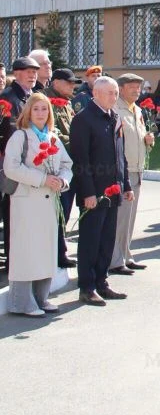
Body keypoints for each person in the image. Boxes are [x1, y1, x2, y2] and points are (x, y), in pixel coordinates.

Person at [2, 93, 73, 316]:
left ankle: (41, 298)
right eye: (36, 109)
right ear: (28, 112)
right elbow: (11, 167)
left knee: (45, 250)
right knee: (26, 251)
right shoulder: (20, 136)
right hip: (27, 202)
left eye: (44, 109)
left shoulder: (53, 137)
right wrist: (43, 179)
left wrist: (62, 181)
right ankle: (22, 302)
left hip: (49, 202)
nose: (41, 113)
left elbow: (67, 164)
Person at [69, 76, 133, 306]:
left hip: (113, 190)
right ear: (95, 94)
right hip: (94, 192)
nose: (114, 97)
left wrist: (126, 184)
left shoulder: (114, 117)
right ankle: (87, 287)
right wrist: (88, 193)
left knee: (106, 240)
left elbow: (120, 156)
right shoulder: (83, 119)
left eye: (116, 93)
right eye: (109, 93)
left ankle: (102, 282)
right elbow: (81, 160)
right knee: (91, 241)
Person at [110, 73, 154, 273]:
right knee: (120, 218)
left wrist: (148, 140)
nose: (137, 91)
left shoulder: (137, 110)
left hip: (137, 168)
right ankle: (115, 260)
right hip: (123, 170)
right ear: (121, 89)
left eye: (138, 87)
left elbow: (137, 137)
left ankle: (126, 254)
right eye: (132, 87)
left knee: (130, 218)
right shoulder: (115, 109)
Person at [1, 56, 40, 267]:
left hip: (32, 164)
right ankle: (13, 260)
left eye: (35, 72)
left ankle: (24, 258)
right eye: (28, 72)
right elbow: (6, 133)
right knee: (13, 214)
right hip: (13, 164)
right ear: (16, 74)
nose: (33, 75)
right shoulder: (8, 98)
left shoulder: (32, 96)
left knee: (27, 214)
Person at [44, 67, 78, 269]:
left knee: (64, 212)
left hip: (68, 164)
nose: (73, 86)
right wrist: (78, 141)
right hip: (54, 165)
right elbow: (52, 132)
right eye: (69, 82)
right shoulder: (47, 102)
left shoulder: (66, 102)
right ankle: (55, 253)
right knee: (57, 213)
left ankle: (60, 251)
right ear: (56, 82)